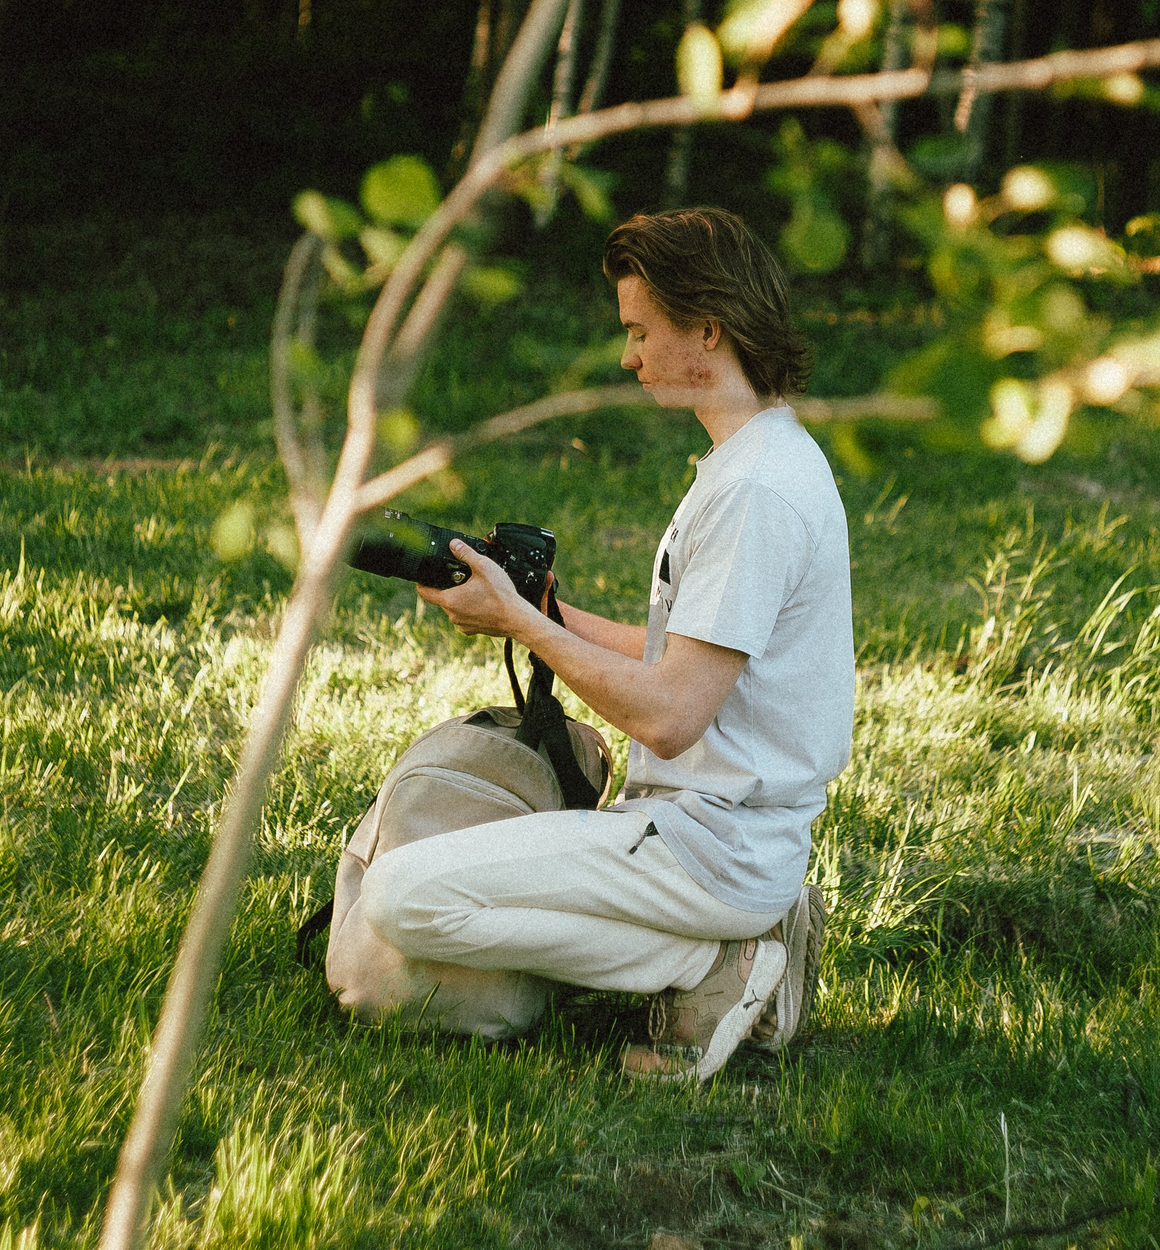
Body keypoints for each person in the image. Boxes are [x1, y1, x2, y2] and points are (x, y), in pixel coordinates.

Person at [355, 206, 855, 1081]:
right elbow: (680, 656)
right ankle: (716, 948)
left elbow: (668, 714)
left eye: (639, 330)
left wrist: (525, 625)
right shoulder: (759, 461)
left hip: (708, 847)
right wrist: (549, 608)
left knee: (398, 896)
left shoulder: (757, 491)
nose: (628, 357)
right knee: (426, 891)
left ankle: (712, 963)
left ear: (709, 325)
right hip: (715, 836)